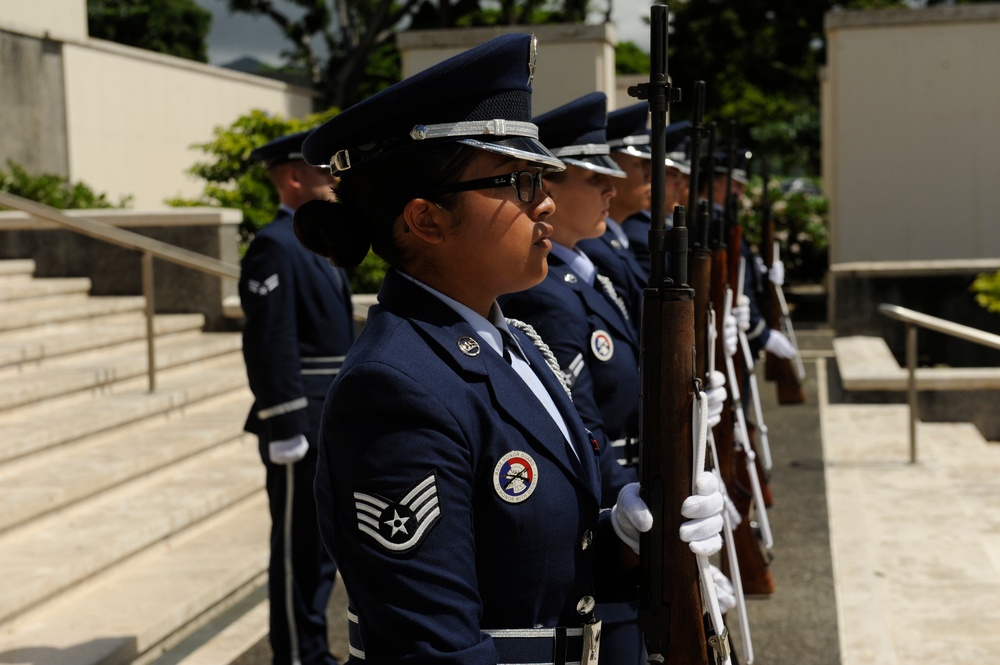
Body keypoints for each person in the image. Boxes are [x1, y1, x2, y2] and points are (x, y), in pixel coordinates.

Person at [293, 34, 725, 663]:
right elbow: (436, 649)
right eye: (518, 180)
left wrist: (627, 536)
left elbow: (537, 572)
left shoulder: (508, 341)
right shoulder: (394, 388)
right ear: (427, 220)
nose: (544, 199)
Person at [499, 91, 728, 665]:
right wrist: (640, 510)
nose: (611, 187)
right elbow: (584, 425)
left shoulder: (583, 276)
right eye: (591, 176)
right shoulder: (551, 293)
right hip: (607, 503)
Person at [239, 129, 354, 665]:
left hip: (327, 415)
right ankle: (296, 656)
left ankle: (313, 650)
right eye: (322, 172)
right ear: (292, 177)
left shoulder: (313, 241)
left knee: (323, 551)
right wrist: (284, 422)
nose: (333, 180)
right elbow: (270, 341)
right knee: (297, 553)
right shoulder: (273, 244)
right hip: (300, 421)